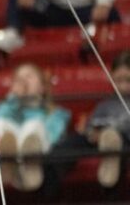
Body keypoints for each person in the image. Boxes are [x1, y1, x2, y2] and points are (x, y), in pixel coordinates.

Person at [42, 50, 130, 195]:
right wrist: (92, 132)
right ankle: (49, 182)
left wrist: (111, 132)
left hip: (123, 140)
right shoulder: (105, 104)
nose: (123, 86)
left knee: (115, 140)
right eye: (118, 80)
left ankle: (110, 180)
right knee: (71, 142)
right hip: (98, 139)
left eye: (128, 80)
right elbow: (91, 124)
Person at [0, 63, 70, 191]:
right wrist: (13, 98)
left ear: (42, 87)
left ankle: (28, 166)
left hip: (40, 155)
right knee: (0, 123)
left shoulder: (55, 113)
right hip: (4, 150)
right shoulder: (10, 109)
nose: (23, 82)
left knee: (33, 126)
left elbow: (53, 137)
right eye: (18, 79)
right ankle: (6, 165)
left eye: (29, 76)